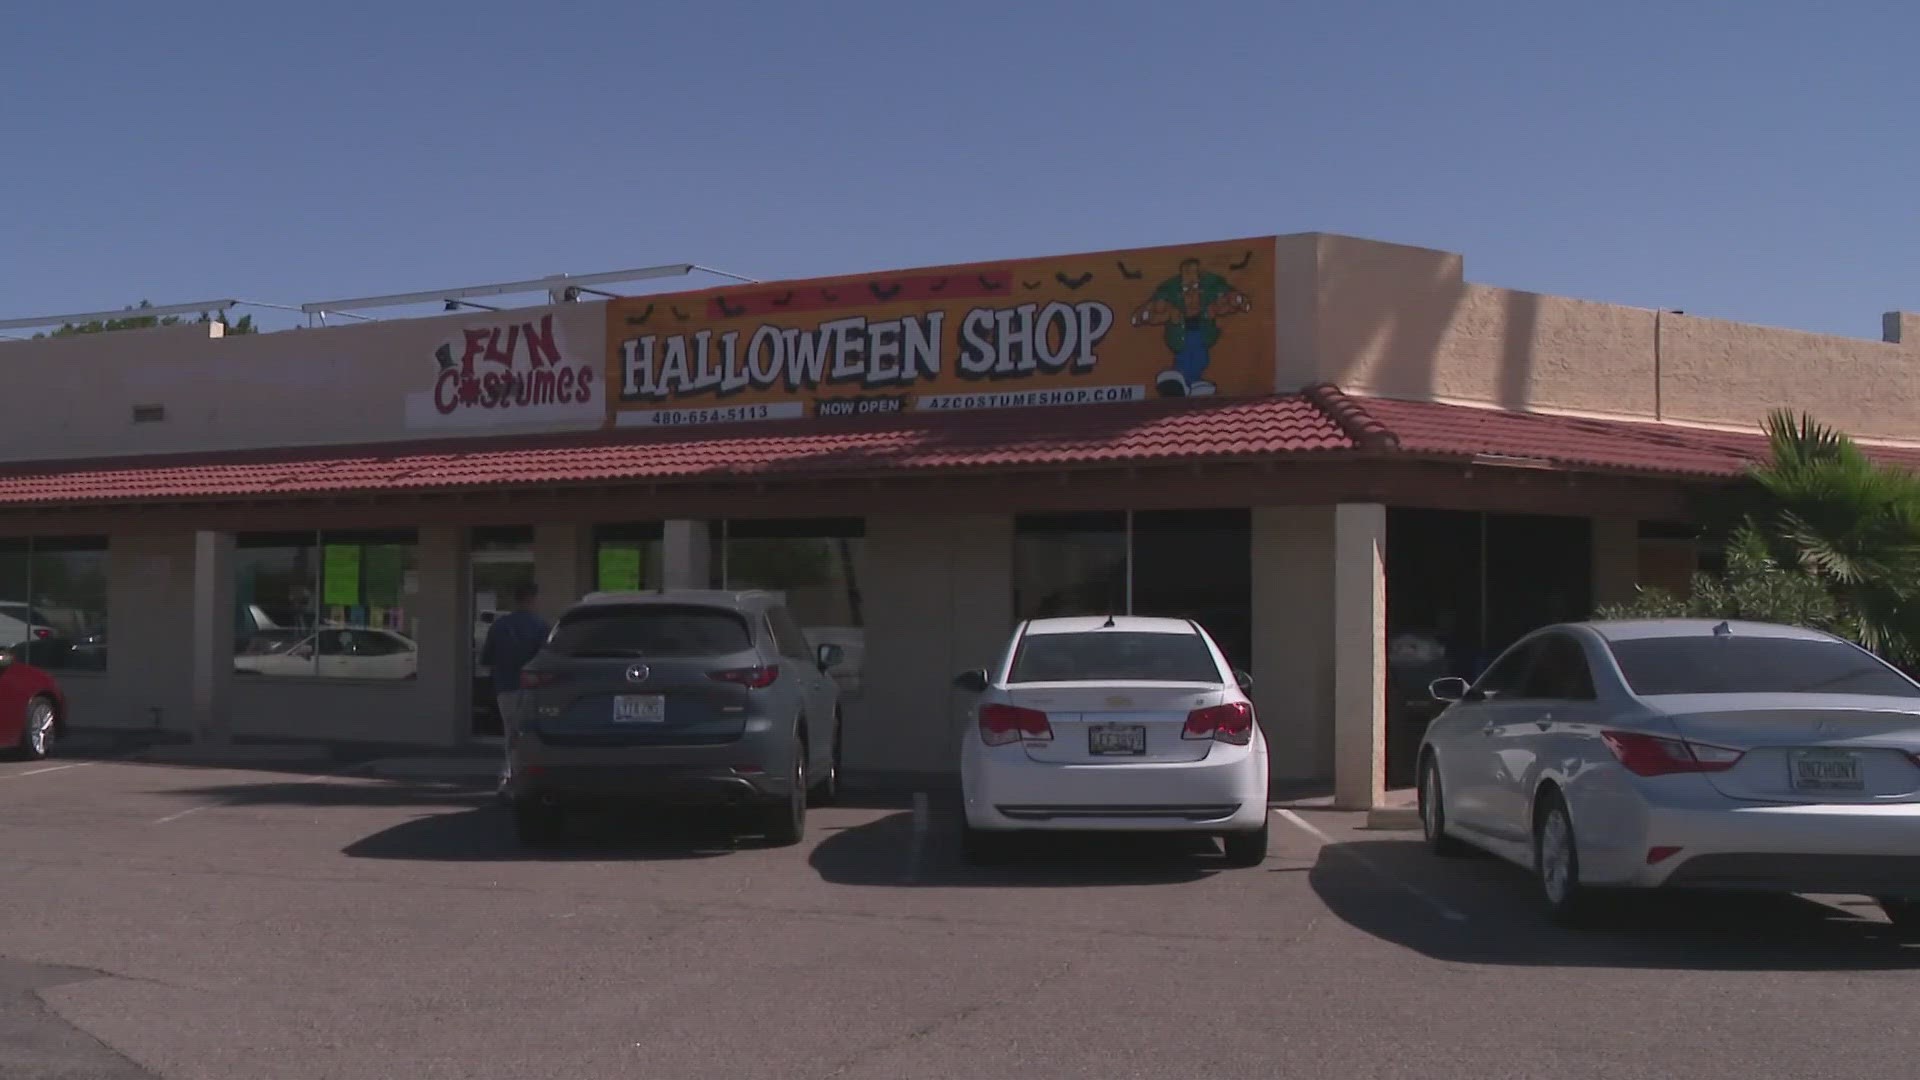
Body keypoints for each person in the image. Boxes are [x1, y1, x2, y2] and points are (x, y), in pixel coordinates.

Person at [480, 582, 550, 797]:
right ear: (532, 598)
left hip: (505, 687)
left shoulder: (499, 626)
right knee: (528, 735)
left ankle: (508, 779)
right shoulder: (541, 626)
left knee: (510, 734)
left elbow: (487, 659)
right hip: (530, 689)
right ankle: (517, 780)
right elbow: (545, 660)